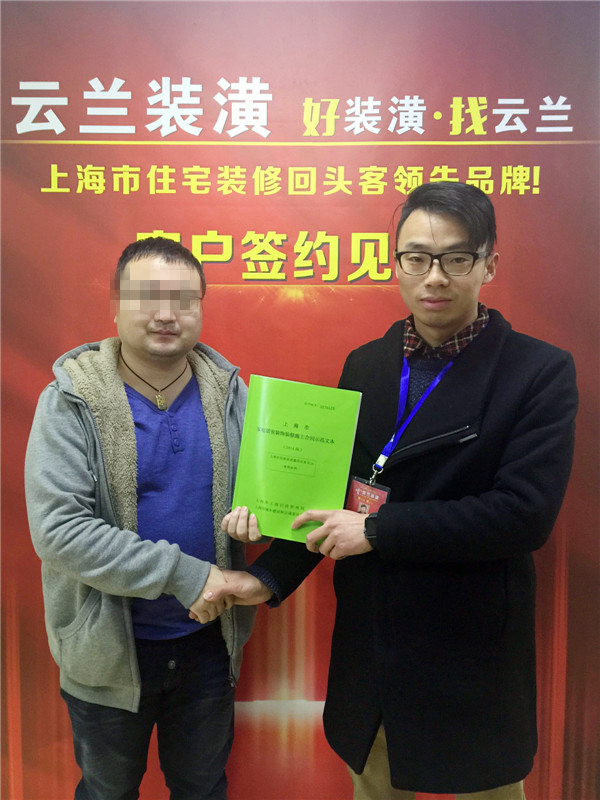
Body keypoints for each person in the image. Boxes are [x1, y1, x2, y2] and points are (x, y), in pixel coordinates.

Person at [204, 182, 578, 799]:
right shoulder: (368, 364)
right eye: (417, 258)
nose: (435, 277)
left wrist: (378, 530)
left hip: (468, 647)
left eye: (456, 258)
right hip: (372, 645)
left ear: (489, 265)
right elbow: (337, 493)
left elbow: (523, 514)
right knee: (375, 784)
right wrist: (266, 576)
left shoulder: (537, 371)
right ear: (395, 263)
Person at [24, 237, 255, 800]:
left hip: (207, 643)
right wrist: (188, 575)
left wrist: (261, 519)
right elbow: (60, 531)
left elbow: (264, 500)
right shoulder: (70, 400)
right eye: (147, 297)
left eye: (183, 299)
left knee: (203, 789)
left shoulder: (232, 394)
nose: (166, 314)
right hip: (107, 650)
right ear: (115, 305)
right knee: (107, 792)